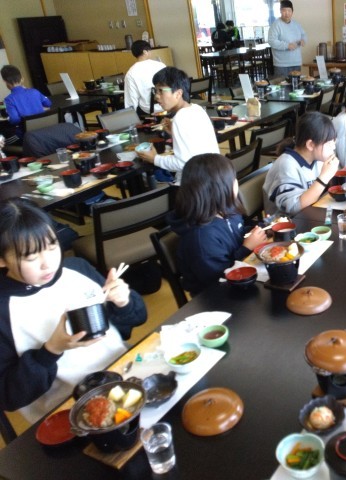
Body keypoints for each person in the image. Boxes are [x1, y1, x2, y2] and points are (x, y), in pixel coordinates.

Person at [0, 198, 147, 423]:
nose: (48, 263)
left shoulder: (77, 269)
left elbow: (135, 320)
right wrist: (51, 350)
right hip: (72, 411)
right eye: (31, 257)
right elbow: (9, 396)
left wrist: (123, 302)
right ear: (2, 260)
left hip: (127, 374)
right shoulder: (4, 311)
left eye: (52, 246)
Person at [168, 154, 267, 296]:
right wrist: (246, 248)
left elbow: (235, 234)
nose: (236, 182)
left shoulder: (226, 210)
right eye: (232, 179)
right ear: (218, 189)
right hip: (215, 295)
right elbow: (219, 278)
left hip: (242, 275)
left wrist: (259, 229)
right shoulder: (201, 237)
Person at [137, 67, 219, 184]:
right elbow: (196, 144)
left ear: (178, 93)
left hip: (196, 184)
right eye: (155, 91)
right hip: (214, 175)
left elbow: (183, 163)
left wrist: (155, 159)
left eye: (161, 91)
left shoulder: (180, 118)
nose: (156, 96)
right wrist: (174, 132)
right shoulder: (197, 108)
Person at [263, 112, 339, 216]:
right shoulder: (286, 165)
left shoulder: (317, 159)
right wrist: (324, 178)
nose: (333, 148)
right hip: (287, 221)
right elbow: (294, 208)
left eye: (334, 142)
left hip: (310, 215)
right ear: (310, 145)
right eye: (329, 144)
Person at [1, 65, 52, 141]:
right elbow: (48, 103)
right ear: (21, 79)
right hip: (43, 130)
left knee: (3, 139)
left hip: (26, 135)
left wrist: (9, 118)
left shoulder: (9, 100)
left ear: (6, 82)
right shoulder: (34, 91)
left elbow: (15, 120)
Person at [124, 40, 166, 116]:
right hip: (168, 105)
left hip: (150, 110)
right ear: (145, 52)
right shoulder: (161, 65)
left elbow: (131, 100)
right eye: (150, 50)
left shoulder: (131, 73)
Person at [267, 1, 307, 78]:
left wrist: (303, 40)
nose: (287, 13)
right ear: (280, 11)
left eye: (289, 11)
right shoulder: (276, 25)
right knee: (282, 85)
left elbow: (304, 35)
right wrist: (287, 45)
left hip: (296, 62)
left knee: (297, 84)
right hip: (281, 65)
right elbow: (271, 41)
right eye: (284, 10)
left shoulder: (296, 24)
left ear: (292, 12)